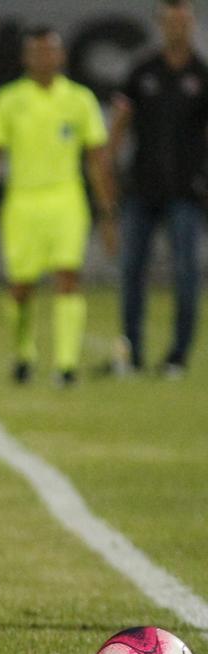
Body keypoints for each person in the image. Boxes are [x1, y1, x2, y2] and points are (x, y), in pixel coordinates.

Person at [0, 26, 118, 386]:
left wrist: (108, 212)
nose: (44, 58)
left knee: (68, 277)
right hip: (22, 201)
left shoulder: (79, 99)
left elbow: (97, 159)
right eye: (36, 52)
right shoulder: (8, 100)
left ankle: (66, 365)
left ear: (61, 56)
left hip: (66, 199)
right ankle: (24, 353)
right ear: (25, 58)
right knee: (21, 287)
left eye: (50, 51)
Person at [108, 0, 207, 379]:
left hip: (186, 191)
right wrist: (110, 171)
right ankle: (131, 353)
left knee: (186, 273)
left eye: (182, 20)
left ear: (192, 24)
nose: (176, 27)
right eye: (169, 21)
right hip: (142, 188)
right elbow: (119, 125)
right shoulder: (143, 70)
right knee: (132, 271)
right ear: (160, 25)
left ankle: (177, 357)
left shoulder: (202, 75)